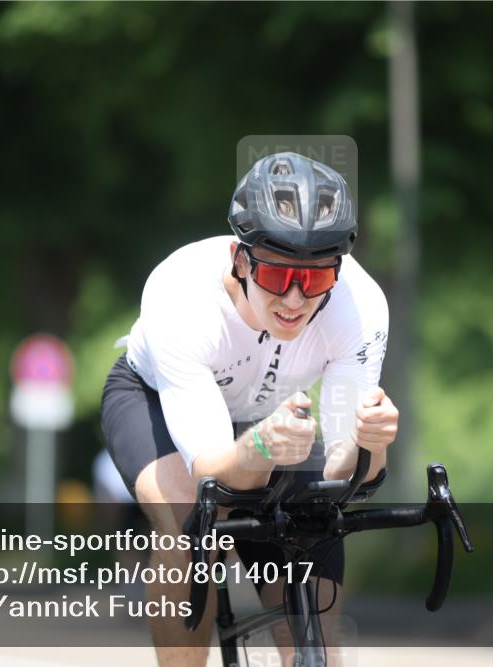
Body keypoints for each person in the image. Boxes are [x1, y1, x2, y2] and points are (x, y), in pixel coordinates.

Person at [100, 152, 398, 667]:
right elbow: (213, 466)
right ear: (241, 260)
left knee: (316, 528)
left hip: (272, 417)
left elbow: (346, 469)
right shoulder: (180, 295)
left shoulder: (361, 305)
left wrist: (373, 444)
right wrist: (259, 446)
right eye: (280, 276)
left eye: (318, 279)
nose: (297, 298)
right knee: (193, 516)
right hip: (154, 400)